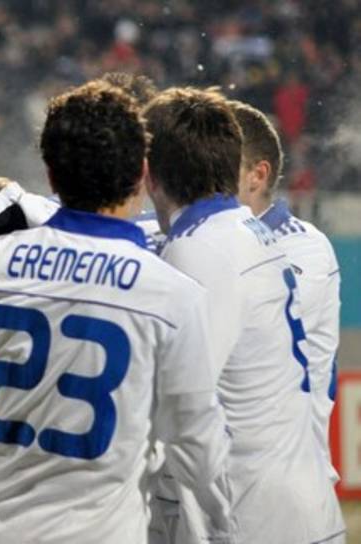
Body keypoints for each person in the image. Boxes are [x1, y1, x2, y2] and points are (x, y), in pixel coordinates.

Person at [0, 80, 234, 543]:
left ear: (50, 174)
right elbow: (200, 453)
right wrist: (223, 532)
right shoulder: (171, 295)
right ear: (143, 172)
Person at [143, 87, 345, 543]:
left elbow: (185, 404)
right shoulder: (254, 233)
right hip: (291, 491)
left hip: (251, 509)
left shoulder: (204, 248)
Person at [231, 99, 342, 489]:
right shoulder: (217, 241)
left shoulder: (301, 246)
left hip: (283, 484)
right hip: (242, 480)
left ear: (257, 176)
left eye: (217, 168)